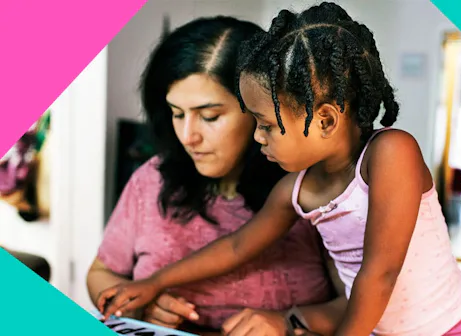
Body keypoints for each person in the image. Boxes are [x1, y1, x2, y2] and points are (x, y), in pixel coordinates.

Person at [96, 4, 461, 335]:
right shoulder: (296, 190)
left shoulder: (391, 152)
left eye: (266, 125)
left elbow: (379, 273)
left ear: (326, 120)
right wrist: (154, 282)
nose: (258, 136)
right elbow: (236, 247)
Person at [86, 16, 347, 336]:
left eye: (210, 116)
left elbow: (363, 301)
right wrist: (140, 304)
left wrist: (290, 321)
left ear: (261, 111)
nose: (187, 136)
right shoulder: (150, 180)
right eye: (177, 113)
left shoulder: (313, 189)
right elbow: (101, 273)